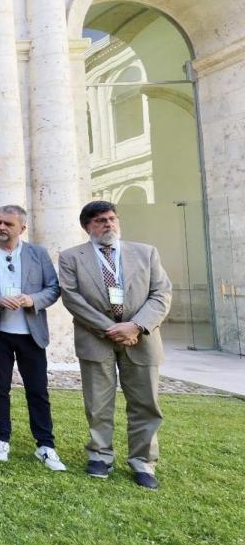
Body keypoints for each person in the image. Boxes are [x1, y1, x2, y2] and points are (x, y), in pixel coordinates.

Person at [59, 201, 171, 489]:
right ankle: (100, 455)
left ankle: (143, 462)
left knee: (145, 403)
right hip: (96, 339)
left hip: (141, 339)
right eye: (99, 221)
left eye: (111, 219)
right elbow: (72, 299)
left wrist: (136, 326)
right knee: (98, 403)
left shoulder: (145, 253)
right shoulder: (72, 257)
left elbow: (161, 294)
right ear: (87, 227)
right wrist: (111, 329)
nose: (107, 224)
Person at [0, 205, 65, 471]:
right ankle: (1, 438)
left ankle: (45, 445)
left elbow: (53, 289)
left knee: (38, 390)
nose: (1, 227)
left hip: (31, 334)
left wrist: (31, 300)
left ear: (22, 228)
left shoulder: (38, 254)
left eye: (8, 224)